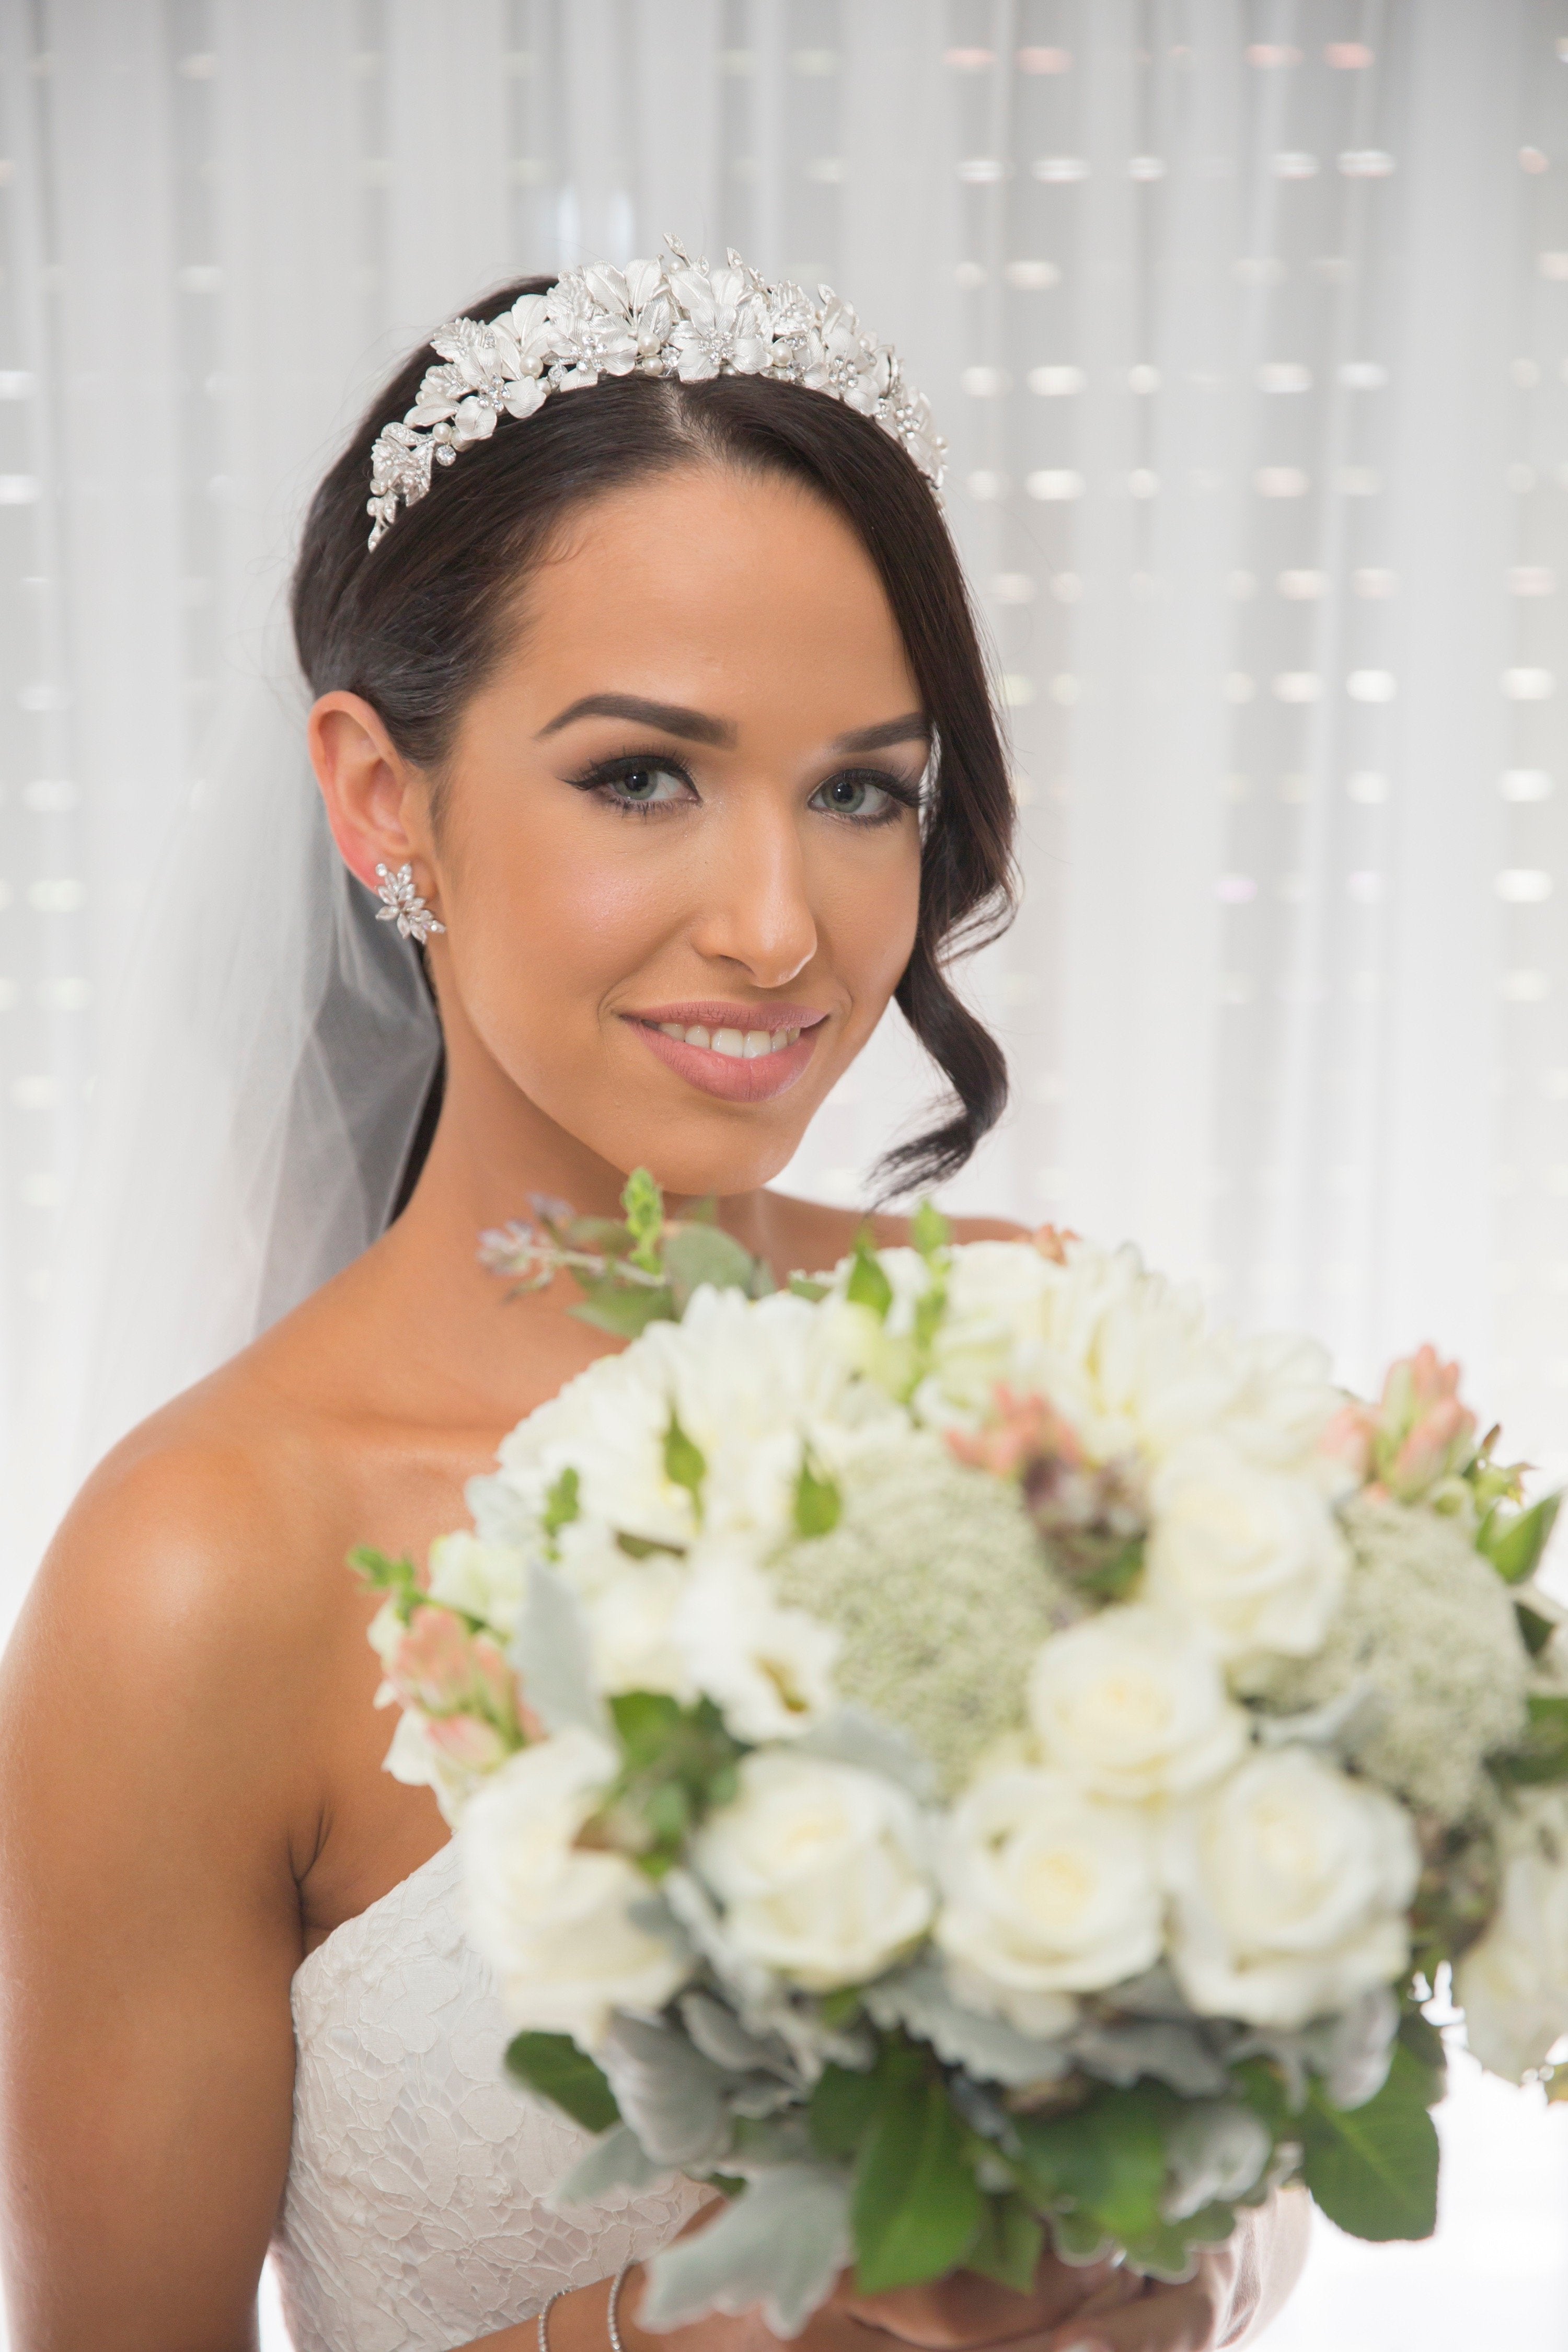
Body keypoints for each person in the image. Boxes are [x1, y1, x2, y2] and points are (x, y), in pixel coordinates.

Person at [0, 254, 1309, 2351]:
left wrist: (1151, 2244)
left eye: (864, 789)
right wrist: (696, 2332)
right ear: (378, 796)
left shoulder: (1043, 1374)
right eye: (642, 778)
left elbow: (1226, 2197)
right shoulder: (198, 1580)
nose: (781, 928)